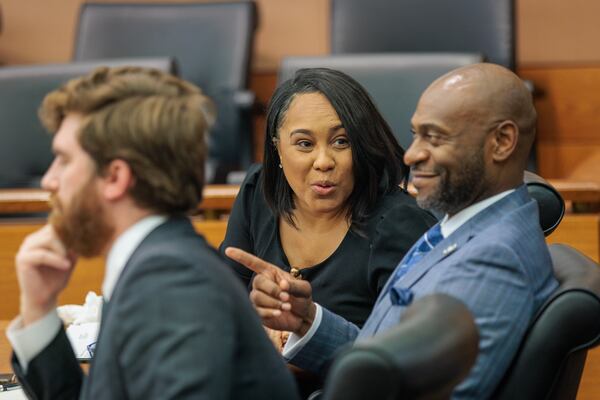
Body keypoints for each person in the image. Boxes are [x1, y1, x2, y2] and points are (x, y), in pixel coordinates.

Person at [226, 63, 559, 399]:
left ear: (502, 142)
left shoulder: (492, 261)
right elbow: (383, 354)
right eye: (416, 135)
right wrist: (307, 322)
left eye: (435, 137)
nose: (412, 155)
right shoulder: (468, 231)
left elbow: (431, 391)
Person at [6, 66, 298, 400]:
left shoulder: (171, 282)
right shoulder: (160, 264)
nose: (48, 180)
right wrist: (39, 308)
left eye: (63, 160)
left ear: (115, 177)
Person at [220, 68, 436, 336]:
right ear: (277, 147)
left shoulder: (401, 224)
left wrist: (301, 339)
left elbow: (406, 352)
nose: (323, 162)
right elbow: (223, 305)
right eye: (304, 144)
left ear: (363, 145)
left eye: (341, 141)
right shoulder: (259, 191)